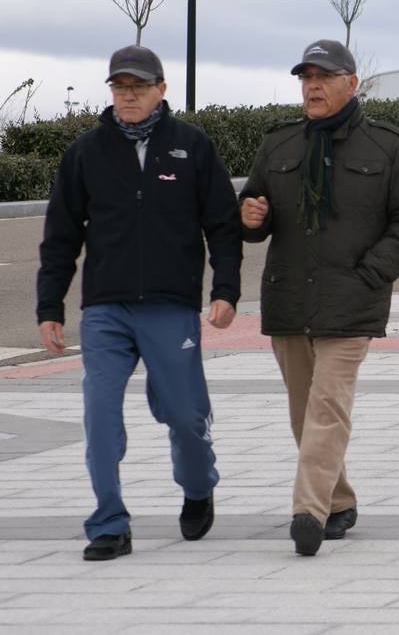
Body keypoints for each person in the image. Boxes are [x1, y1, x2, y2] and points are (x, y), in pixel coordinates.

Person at [36, 45, 242, 561]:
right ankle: (109, 523)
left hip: (170, 308)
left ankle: (198, 486)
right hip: (105, 309)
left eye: (139, 87)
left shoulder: (191, 147)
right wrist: (49, 307)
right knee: (100, 416)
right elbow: (60, 237)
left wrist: (226, 292)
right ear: (111, 92)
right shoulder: (86, 153)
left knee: (186, 415)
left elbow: (222, 224)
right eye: (119, 87)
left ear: (161, 90)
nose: (128, 96)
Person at [240, 40, 399, 556]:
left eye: (323, 77)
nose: (312, 87)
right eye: (305, 78)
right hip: (287, 300)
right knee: (304, 412)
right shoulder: (278, 145)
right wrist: (250, 217)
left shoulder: (387, 146)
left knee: (327, 407)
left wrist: (372, 274)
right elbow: (255, 210)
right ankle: (340, 499)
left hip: (351, 302)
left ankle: (309, 511)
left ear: (351, 82)